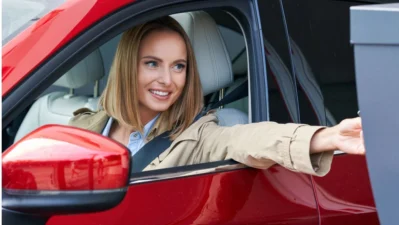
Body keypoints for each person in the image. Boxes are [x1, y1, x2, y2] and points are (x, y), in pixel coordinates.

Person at [69, 16, 365, 177]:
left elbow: (246, 139)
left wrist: (326, 137)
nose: (167, 80)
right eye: (152, 63)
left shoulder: (196, 137)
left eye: (178, 66)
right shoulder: (82, 126)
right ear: (127, 67)